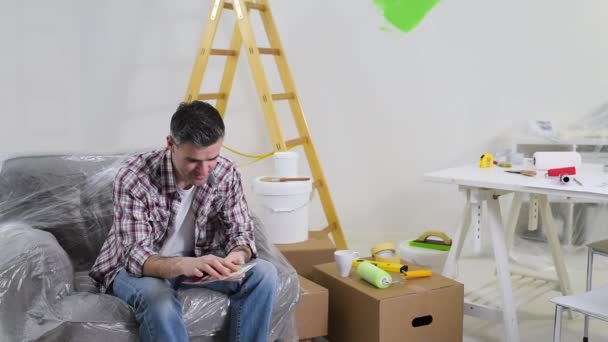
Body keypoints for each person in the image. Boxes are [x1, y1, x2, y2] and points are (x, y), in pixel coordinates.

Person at [90, 101, 278, 342]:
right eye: (193, 160)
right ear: (171, 144)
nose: (204, 170)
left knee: (264, 274)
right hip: (137, 270)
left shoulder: (225, 172)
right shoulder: (133, 177)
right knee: (159, 300)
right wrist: (185, 264)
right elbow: (134, 255)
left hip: (197, 265)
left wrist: (237, 257)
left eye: (212, 158)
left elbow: (241, 230)